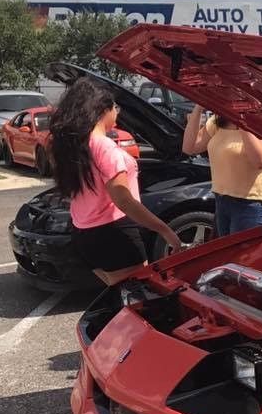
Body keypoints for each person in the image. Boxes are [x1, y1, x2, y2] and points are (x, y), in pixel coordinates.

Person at [49, 78, 181, 286]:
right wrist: (165, 230)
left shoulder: (71, 147)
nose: (117, 112)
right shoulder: (106, 148)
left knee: (118, 292)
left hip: (82, 232)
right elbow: (124, 201)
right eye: (115, 107)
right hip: (115, 234)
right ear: (103, 110)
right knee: (137, 296)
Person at [183, 105, 262, 236]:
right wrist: (198, 109)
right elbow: (189, 147)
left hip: (252, 204)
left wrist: (241, 120)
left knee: (244, 250)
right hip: (222, 201)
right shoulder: (218, 121)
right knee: (228, 250)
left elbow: (260, 161)